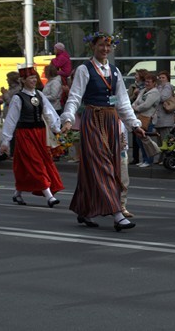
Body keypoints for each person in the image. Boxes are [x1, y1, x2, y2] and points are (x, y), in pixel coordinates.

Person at [61, 31, 146, 231]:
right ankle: (117, 214)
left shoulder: (115, 71)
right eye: (101, 45)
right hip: (93, 119)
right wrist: (67, 119)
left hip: (111, 120)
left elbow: (123, 102)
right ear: (93, 46)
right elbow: (74, 97)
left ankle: (85, 209)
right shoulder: (85, 69)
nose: (105, 49)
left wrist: (135, 125)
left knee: (100, 168)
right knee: (102, 166)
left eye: (108, 46)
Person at [1, 65, 65, 208]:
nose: (33, 80)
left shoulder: (39, 95)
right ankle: (49, 196)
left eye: (34, 77)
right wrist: (6, 140)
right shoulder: (18, 98)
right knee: (35, 163)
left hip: (40, 133)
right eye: (30, 78)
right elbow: (11, 119)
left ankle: (17, 193)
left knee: (34, 163)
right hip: (25, 134)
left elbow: (49, 112)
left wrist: (56, 128)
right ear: (23, 80)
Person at [131, 73, 160, 167]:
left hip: (148, 119)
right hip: (139, 118)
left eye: (149, 82)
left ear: (154, 83)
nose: (146, 83)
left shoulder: (155, 92)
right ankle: (144, 159)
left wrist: (136, 108)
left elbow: (147, 105)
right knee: (139, 140)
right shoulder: (143, 90)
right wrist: (134, 106)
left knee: (146, 139)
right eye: (146, 81)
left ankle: (149, 160)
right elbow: (136, 101)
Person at [127, 69, 148, 165]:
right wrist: (134, 95)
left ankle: (146, 158)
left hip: (143, 114)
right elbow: (127, 99)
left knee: (142, 137)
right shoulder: (133, 86)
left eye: (137, 75)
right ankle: (136, 158)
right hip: (134, 113)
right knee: (135, 138)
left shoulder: (147, 87)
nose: (135, 76)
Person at [154, 70, 175, 152]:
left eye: (163, 77)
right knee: (159, 140)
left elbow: (163, 97)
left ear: (167, 79)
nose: (161, 79)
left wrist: (155, 96)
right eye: (159, 77)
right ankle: (161, 158)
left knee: (166, 139)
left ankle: (167, 157)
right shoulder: (159, 87)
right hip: (159, 118)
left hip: (166, 117)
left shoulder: (168, 86)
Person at [119, 120, 132, 218]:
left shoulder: (123, 121)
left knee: (124, 181)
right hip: (107, 153)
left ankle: (122, 206)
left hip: (121, 152)